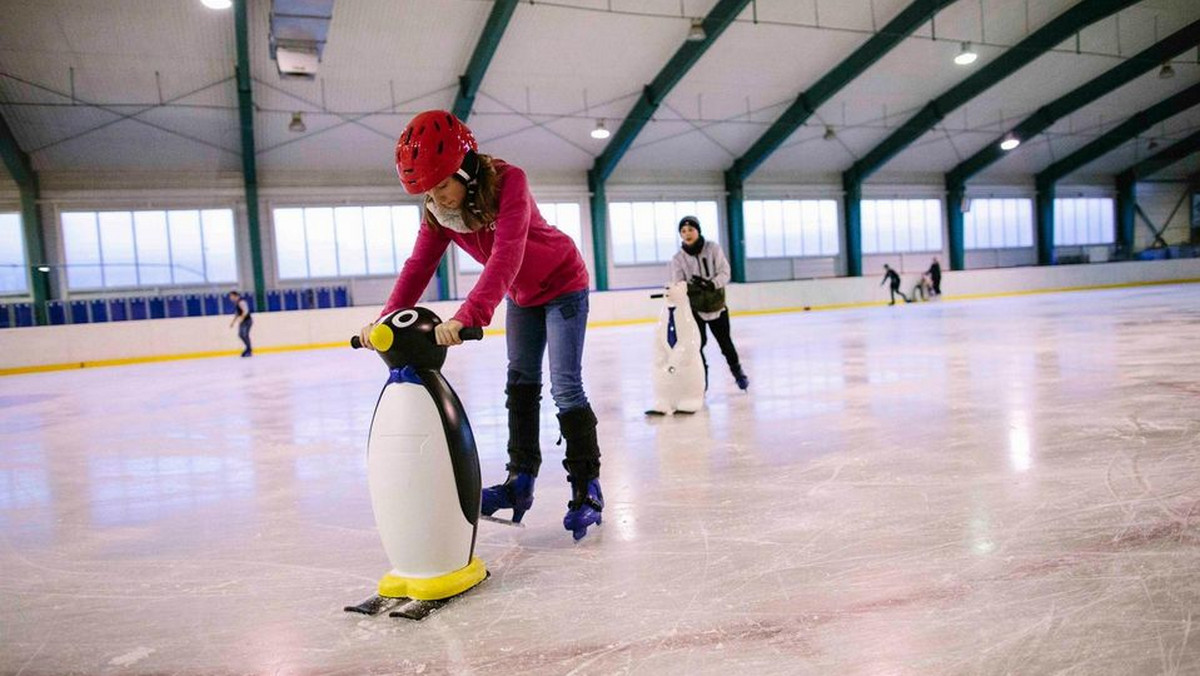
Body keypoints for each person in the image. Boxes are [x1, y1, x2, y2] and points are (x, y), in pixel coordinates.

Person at [357, 110, 602, 540]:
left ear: (465, 168)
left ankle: (587, 489)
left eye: (441, 185)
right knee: (520, 383)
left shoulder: (510, 182)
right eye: (427, 192)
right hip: (522, 296)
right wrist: (385, 323)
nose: (437, 199)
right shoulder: (439, 213)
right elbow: (418, 267)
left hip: (563, 284)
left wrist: (469, 315)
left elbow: (508, 253)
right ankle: (519, 481)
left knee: (565, 386)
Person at [670, 215, 748, 391]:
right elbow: (678, 283)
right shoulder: (678, 258)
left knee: (725, 344)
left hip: (717, 306)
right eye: (683, 231)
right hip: (695, 309)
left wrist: (712, 283)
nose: (687, 233)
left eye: (691, 230)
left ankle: (738, 373)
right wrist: (690, 287)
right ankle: (701, 383)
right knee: (697, 345)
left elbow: (725, 272)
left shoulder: (713, 248)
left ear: (698, 231)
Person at [228, 291, 252, 357]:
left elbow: (246, 311)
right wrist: (233, 322)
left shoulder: (241, 302)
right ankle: (248, 349)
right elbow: (237, 313)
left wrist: (242, 318)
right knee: (241, 335)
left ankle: (249, 350)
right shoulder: (237, 303)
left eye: (231, 296)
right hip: (243, 321)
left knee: (244, 334)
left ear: (235, 295)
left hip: (247, 321)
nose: (230, 298)